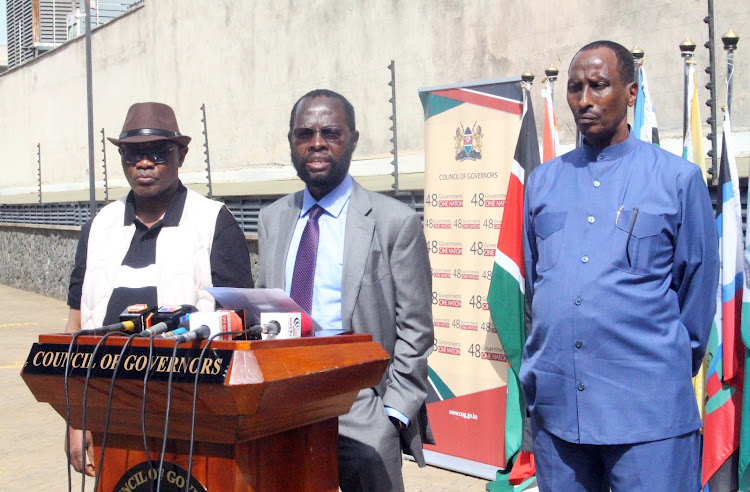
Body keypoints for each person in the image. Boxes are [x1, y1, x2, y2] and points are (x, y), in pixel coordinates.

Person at [520, 40, 719, 491]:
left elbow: (696, 297)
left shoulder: (676, 180)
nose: (584, 100)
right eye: (574, 88)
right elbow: (538, 285)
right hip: (560, 413)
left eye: (598, 85)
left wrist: (656, 366)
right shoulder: (543, 182)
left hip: (649, 416)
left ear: (631, 93)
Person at [257, 89, 434, 492]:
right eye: (305, 133)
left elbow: (416, 327)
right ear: (291, 142)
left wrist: (392, 412)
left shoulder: (393, 222)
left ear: (353, 140)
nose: (316, 143)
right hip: (282, 402)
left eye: (330, 132)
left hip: (360, 402)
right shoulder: (272, 220)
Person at [64, 101, 254, 475]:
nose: (144, 163)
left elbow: (238, 328)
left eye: (157, 152)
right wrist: (75, 417)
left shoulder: (214, 223)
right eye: (133, 153)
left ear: (181, 155)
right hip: (110, 421)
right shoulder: (99, 228)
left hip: (192, 421)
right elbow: (75, 326)